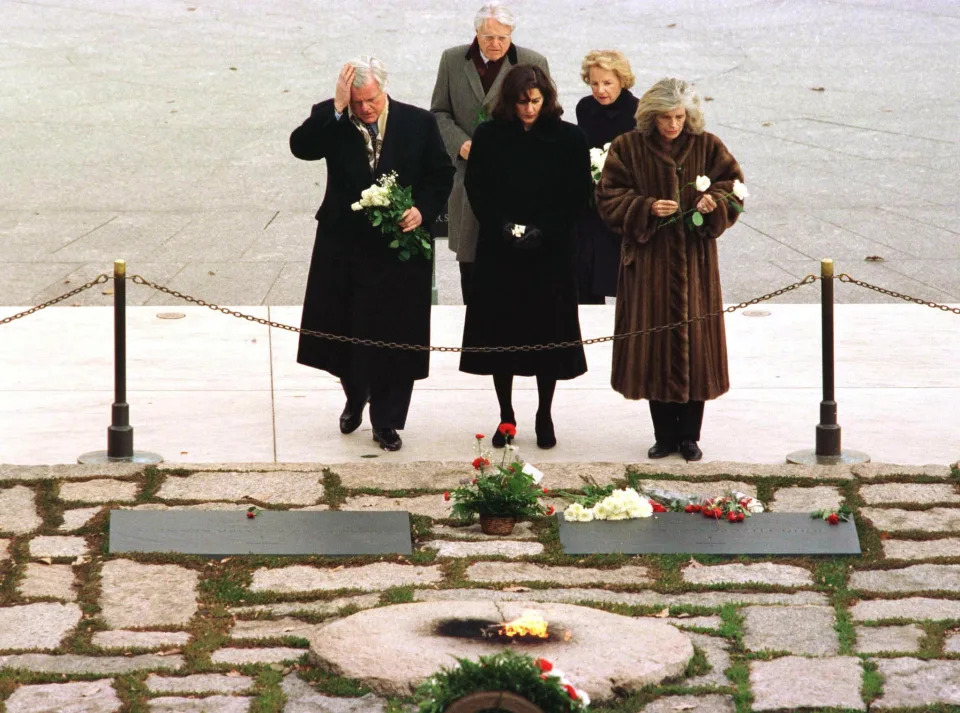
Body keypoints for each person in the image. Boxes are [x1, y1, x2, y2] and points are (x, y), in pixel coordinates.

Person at [290, 56, 454, 451]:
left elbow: (441, 173)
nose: (365, 109)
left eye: (371, 100)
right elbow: (301, 147)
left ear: (384, 89)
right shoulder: (334, 117)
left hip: (400, 249)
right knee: (347, 330)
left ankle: (386, 420)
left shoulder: (418, 122)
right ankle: (354, 395)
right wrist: (335, 106)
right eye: (358, 101)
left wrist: (423, 210)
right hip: (344, 245)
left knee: (397, 335)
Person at [596, 77, 744, 462]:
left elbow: (734, 186)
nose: (673, 125)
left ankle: (690, 436)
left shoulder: (707, 145)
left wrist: (715, 202)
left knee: (697, 348)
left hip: (695, 267)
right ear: (651, 116)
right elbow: (608, 196)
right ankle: (664, 435)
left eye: (679, 116)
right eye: (665, 118)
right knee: (652, 349)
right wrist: (644, 207)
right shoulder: (627, 147)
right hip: (648, 266)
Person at [459, 64, 591, 450]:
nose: (529, 109)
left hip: (550, 254)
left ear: (546, 98)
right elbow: (477, 187)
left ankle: (544, 412)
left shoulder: (569, 138)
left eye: (535, 101)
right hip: (501, 253)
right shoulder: (489, 135)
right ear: (510, 101)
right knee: (503, 336)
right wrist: (502, 226)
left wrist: (544, 231)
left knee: (546, 336)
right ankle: (506, 415)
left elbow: (576, 194)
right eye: (522, 102)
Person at [430, 1, 550, 303]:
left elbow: (546, 114)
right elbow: (439, 112)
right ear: (477, 33)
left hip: (517, 177)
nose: (495, 44)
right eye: (488, 37)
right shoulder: (452, 60)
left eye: (502, 37)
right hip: (468, 175)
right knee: (470, 258)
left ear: (511, 35)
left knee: (514, 252)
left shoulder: (532, 61)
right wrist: (461, 143)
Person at [575, 50, 639, 304]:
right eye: (594, 83)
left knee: (623, 274)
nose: (600, 90)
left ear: (621, 80)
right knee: (587, 270)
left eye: (607, 83)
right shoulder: (585, 108)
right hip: (591, 203)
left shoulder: (637, 111)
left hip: (622, 202)